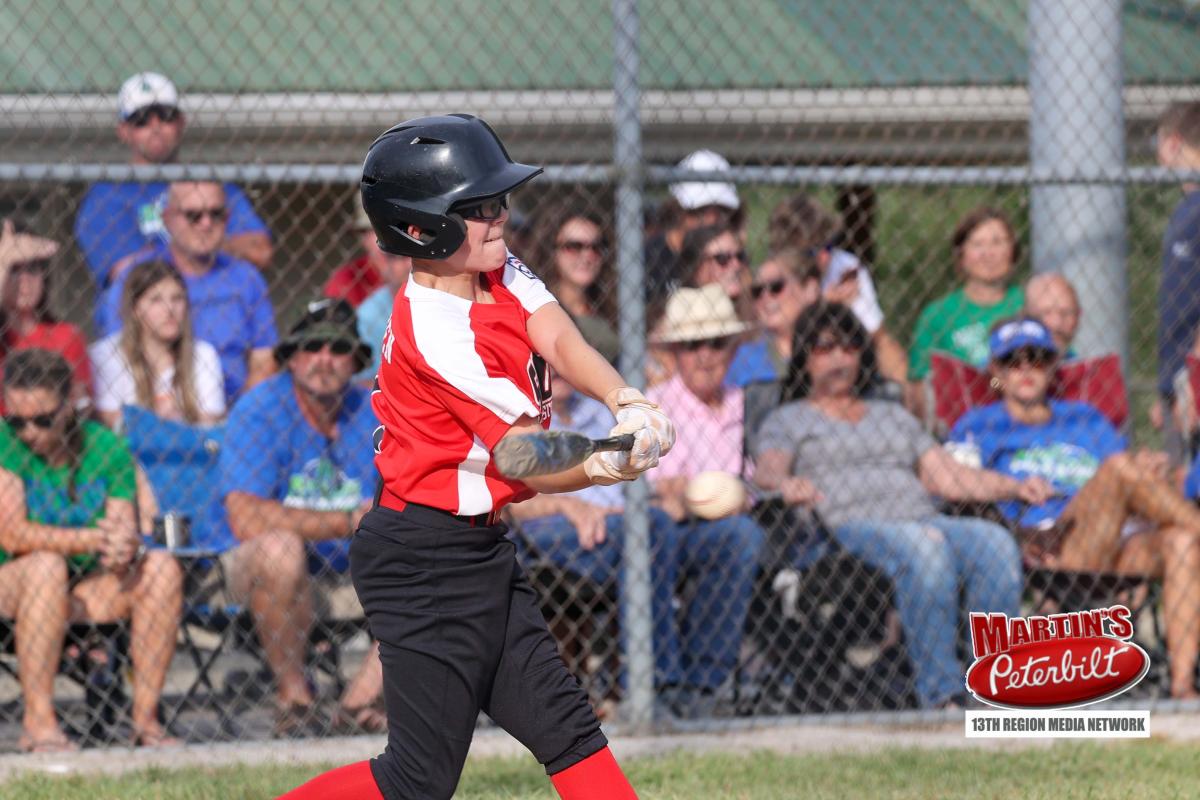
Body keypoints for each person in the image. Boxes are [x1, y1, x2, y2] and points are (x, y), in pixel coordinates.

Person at [280, 114, 671, 800]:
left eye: (499, 201)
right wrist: (608, 460)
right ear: (420, 228)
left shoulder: (491, 268)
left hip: (478, 548)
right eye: (478, 207)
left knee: (569, 731)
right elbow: (521, 456)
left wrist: (624, 398)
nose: (500, 217)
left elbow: (558, 336)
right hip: (422, 559)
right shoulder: (437, 330)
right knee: (417, 780)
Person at [753, 303, 1051, 709]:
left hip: (922, 519)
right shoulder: (788, 420)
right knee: (923, 545)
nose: (840, 358)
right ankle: (941, 694)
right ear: (804, 358)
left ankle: (995, 686)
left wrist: (1015, 487)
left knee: (994, 542)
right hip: (843, 530)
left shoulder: (892, 414)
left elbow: (947, 476)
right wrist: (785, 484)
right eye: (824, 348)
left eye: (849, 347)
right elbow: (767, 472)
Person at [950, 317, 1200, 699]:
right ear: (995, 371)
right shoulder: (980, 426)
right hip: (1050, 545)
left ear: (1053, 365)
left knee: (1182, 541)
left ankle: (1182, 686)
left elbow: (1130, 481)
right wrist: (1012, 514)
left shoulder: (1084, 417)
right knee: (1118, 469)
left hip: (1114, 541)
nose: (1026, 370)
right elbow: (956, 486)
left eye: (1037, 359)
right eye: (1013, 361)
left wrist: (1149, 469)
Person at [208, 299, 385, 737]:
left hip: (359, 562)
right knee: (280, 548)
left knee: (434, 545)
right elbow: (246, 519)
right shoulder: (261, 409)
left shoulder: (376, 410)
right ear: (291, 357)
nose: (324, 359)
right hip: (253, 566)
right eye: (312, 347)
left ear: (356, 361)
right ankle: (295, 698)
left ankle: (360, 700)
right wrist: (347, 520)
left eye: (338, 348)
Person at [0, 348, 183, 751]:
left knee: (161, 568)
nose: (28, 432)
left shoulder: (106, 447)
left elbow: (120, 526)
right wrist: (92, 539)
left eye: (43, 420)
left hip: (82, 589)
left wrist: (122, 546)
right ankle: (38, 724)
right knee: (45, 566)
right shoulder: (4, 442)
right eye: (17, 420)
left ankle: (145, 721)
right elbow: (12, 536)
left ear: (69, 405)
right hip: (11, 584)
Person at [644, 285, 765, 705]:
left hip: (731, 524)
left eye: (715, 343)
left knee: (742, 537)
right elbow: (658, 491)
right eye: (692, 345)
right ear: (675, 352)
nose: (704, 356)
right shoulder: (655, 406)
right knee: (728, 535)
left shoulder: (744, 404)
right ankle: (668, 683)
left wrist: (737, 493)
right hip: (673, 531)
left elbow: (758, 476)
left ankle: (706, 683)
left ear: (732, 349)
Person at [74, 72, 271, 289]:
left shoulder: (210, 185)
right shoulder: (107, 195)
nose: (156, 127)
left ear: (180, 123)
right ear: (124, 132)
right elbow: (128, 273)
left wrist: (174, 248)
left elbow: (259, 251)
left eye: (165, 116)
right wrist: (204, 245)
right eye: (141, 120)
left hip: (220, 304)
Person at [95, 181, 278, 401]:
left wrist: (241, 417)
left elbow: (264, 361)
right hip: (154, 404)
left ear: (228, 218)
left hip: (235, 407)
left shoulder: (246, 278)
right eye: (193, 215)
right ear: (168, 219)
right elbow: (118, 360)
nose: (206, 223)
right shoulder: (136, 275)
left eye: (216, 214)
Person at [767, 193, 908, 384]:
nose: (825, 257)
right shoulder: (772, 277)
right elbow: (785, 342)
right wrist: (825, 307)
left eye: (828, 245)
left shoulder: (845, 267)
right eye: (813, 251)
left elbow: (879, 339)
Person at [90, 258, 225, 429]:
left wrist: (149, 421)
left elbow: (209, 424)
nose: (170, 309)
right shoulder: (106, 354)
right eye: (156, 300)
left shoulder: (203, 354)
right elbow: (112, 423)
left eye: (177, 299)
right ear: (135, 309)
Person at [908, 207, 1025, 381]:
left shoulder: (1030, 303)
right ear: (961, 254)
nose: (988, 254)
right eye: (978, 244)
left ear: (1013, 251)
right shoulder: (938, 315)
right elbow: (920, 381)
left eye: (997, 242)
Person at [0, 219, 91, 413]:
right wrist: (3, 262)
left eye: (33, 268)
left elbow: (80, 408)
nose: (25, 279)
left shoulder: (66, 336)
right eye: (14, 268)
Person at [1154, 102, 1200, 453]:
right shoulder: (1188, 206)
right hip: (1182, 378)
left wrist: (1194, 385)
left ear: (1172, 143)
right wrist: (1167, 389)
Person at [645, 149, 744, 305]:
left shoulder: (733, 257)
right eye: (701, 211)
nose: (712, 220)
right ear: (678, 210)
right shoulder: (649, 260)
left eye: (721, 210)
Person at [531, 209, 619, 364]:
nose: (587, 256)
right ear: (552, 252)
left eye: (596, 247)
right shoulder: (538, 309)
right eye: (574, 246)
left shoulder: (612, 306)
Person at [727, 248, 822, 388]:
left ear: (810, 289)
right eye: (757, 291)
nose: (766, 297)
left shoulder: (834, 349)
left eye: (776, 287)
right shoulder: (743, 360)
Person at [323, 193, 395, 308]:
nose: (390, 237)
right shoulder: (349, 279)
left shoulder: (418, 271)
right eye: (378, 230)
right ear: (364, 238)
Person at [355, 248, 412, 382]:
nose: (410, 263)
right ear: (385, 264)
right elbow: (363, 381)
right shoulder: (368, 315)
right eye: (401, 257)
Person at [1024, 272, 1080, 357]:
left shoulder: (1074, 360)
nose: (1057, 323)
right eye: (1046, 312)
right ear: (1028, 314)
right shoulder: (1008, 358)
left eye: (1066, 313)